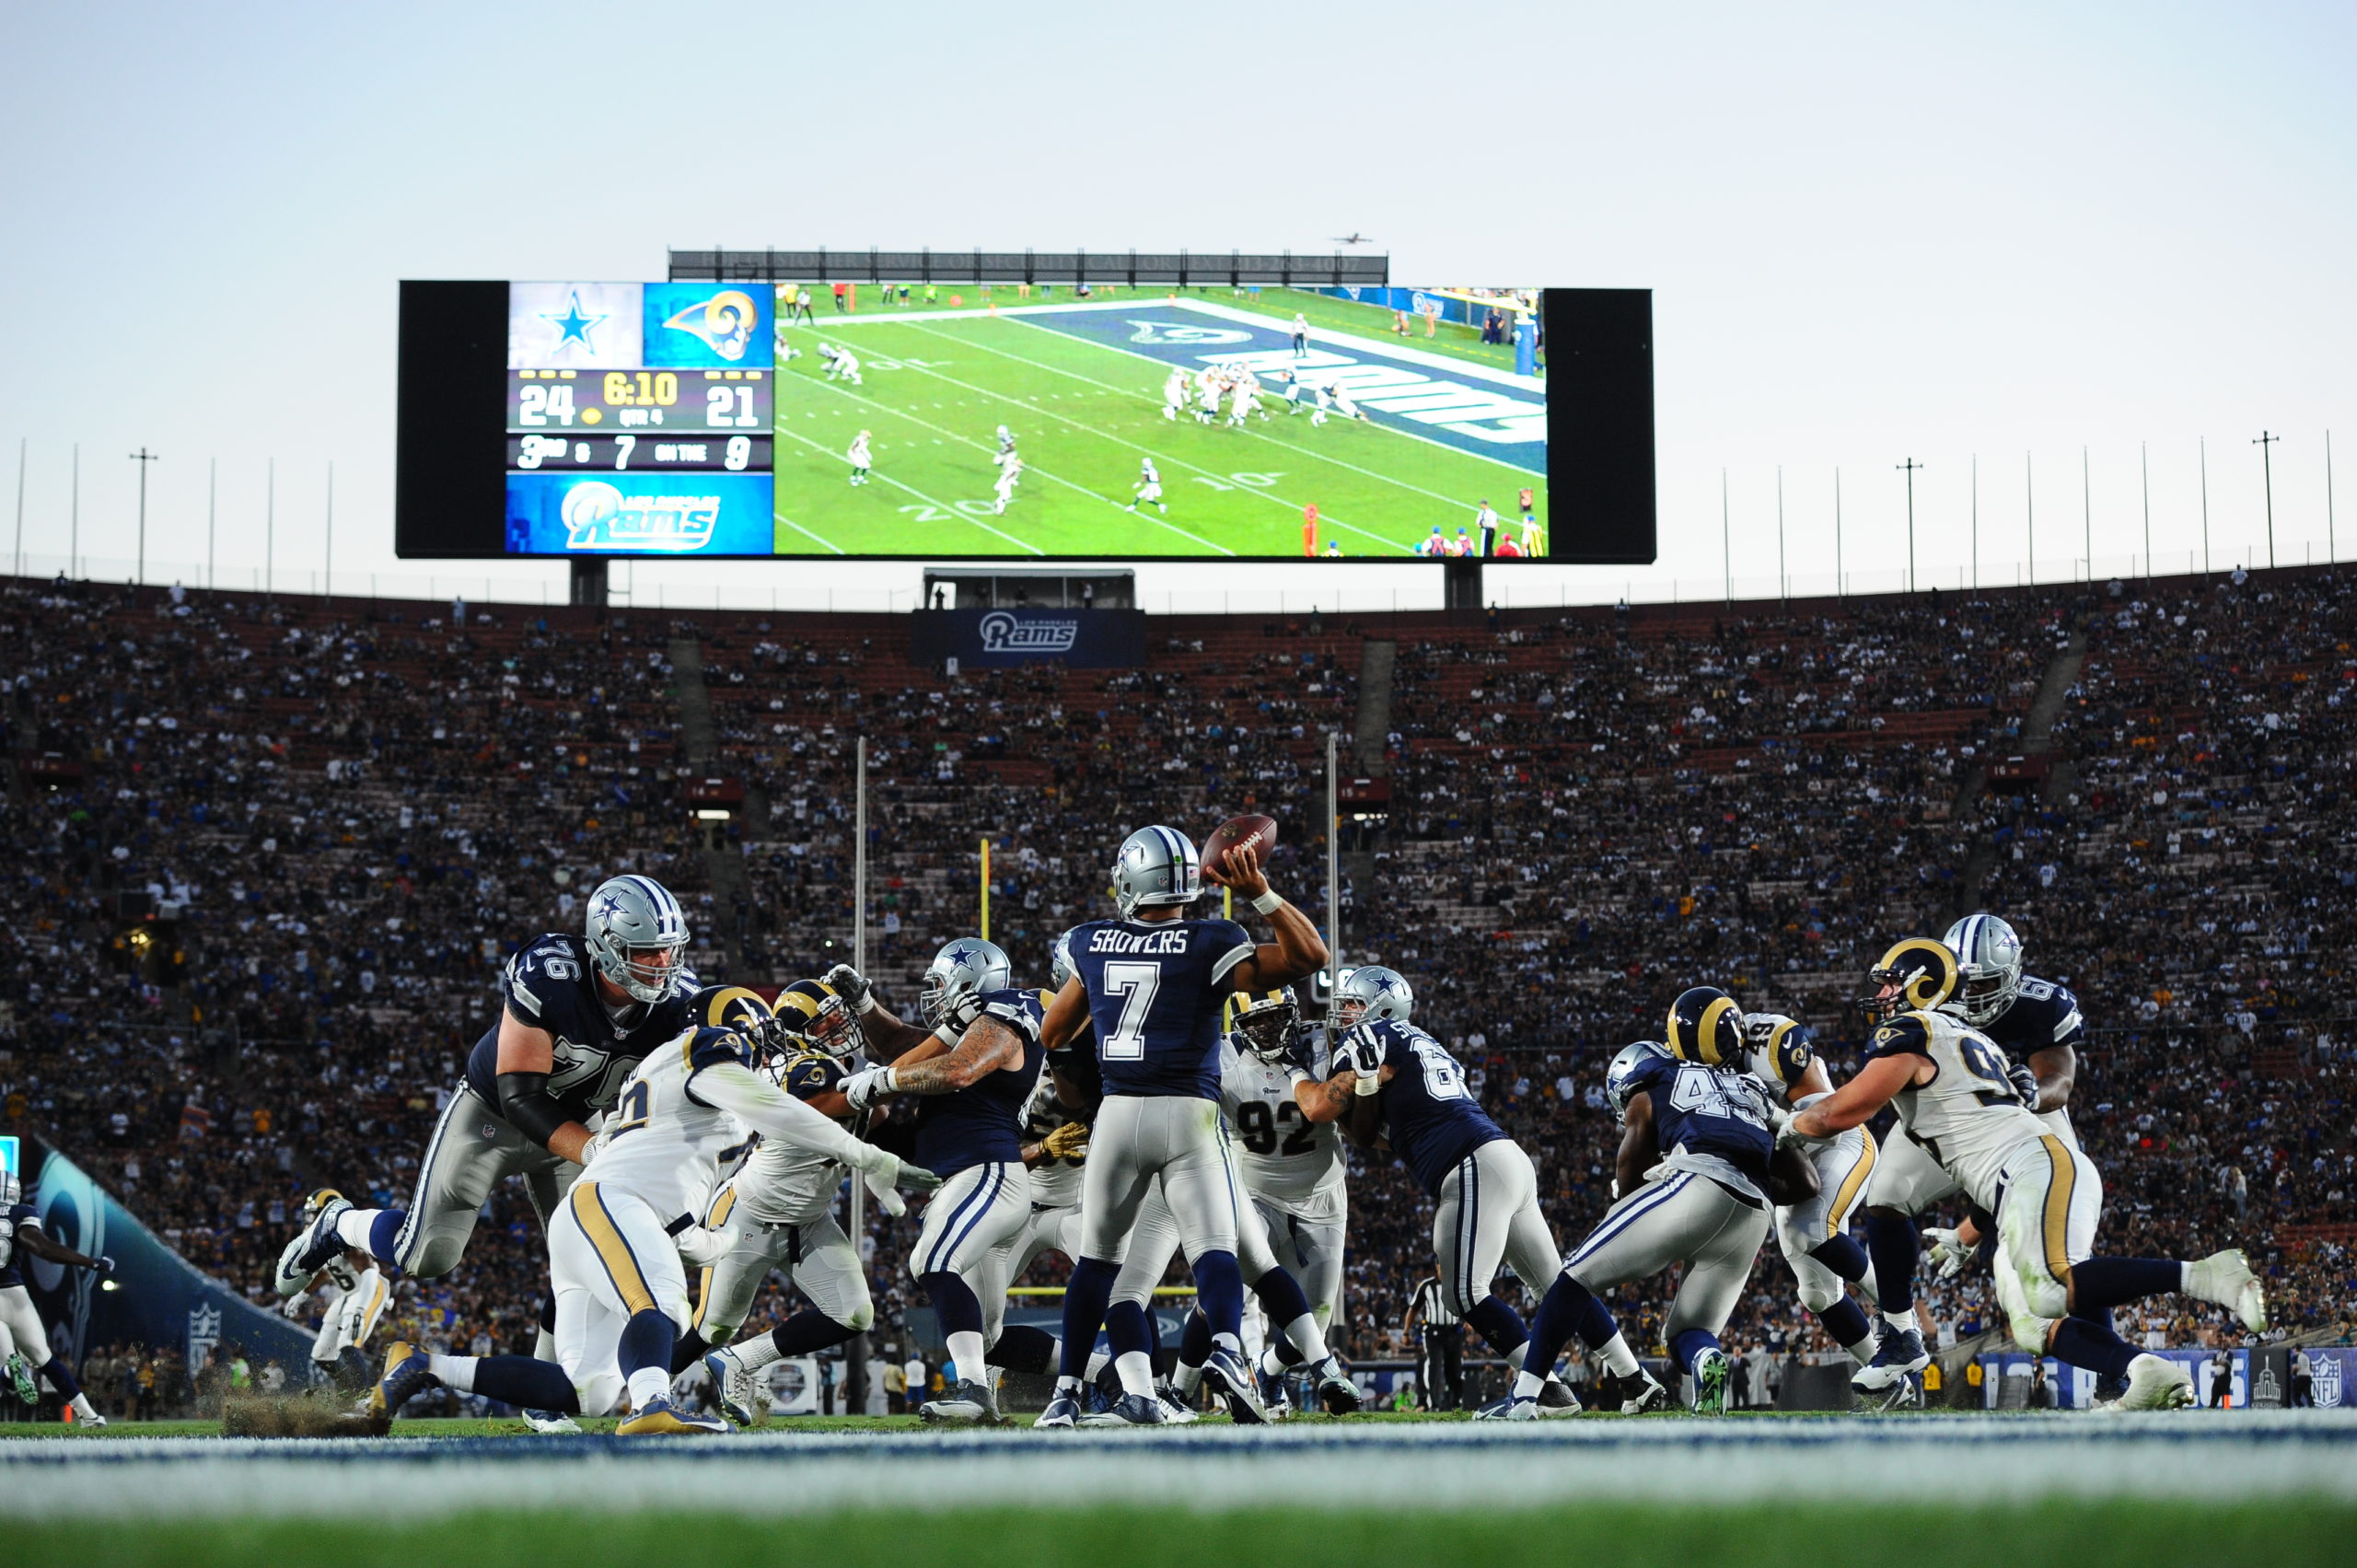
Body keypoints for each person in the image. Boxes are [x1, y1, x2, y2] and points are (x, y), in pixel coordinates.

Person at [376, 986, 940, 1434]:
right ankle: (652, 1405)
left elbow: (677, 1184)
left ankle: (422, 1366)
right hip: (611, 1205)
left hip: (611, 1213)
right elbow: (776, 1111)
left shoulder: (676, 1078)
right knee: (662, 1306)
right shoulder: (711, 1052)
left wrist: (713, 1242)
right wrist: (863, 1153)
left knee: (586, 1391)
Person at [276, 877, 700, 1430]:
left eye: (670, 948)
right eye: (646, 951)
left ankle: (544, 1395)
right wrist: (595, 1147)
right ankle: (339, 1224)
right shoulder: (549, 975)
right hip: (494, 1117)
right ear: (603, 947)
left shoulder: (680, 1002)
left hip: (583, 1125)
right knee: (426, 1256)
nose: (661, 963)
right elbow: (521, 1096)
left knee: (586, 1259)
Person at [1787, 938, 2267, 1411]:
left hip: (2039, 1162)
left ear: (1924, 985)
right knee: (2032, 1316)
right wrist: (1968, 1232)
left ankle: (2205, 1276)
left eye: (1892, 984)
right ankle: (2139, 1370)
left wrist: (1782, 1126)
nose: (1884, 995)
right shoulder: (1964, 1040)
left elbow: (1838, 1113)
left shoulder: (1914, 1033)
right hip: (2012, 1175)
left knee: (2053, 1283)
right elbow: (1981, 1151)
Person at [1032, 827, 1329, 1428]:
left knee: (1098, 1259)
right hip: (1189, 1113)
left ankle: (1064, 1395)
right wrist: (1262, 893)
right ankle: (1225, 1349)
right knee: (1215, 1249)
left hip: (1117, 1116)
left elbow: (1054, 1034)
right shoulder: (1212, 938)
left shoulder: (1093, 941)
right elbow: (1310, 958)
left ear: (1128, 879)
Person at [1483, 989, 1777, 1420]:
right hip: (1755, 1209)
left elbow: (1632, 1157)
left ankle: (1525, 1397)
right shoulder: (1753, 1087)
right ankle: (1704, 1362)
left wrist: (1625, 1197)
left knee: (1571, 1278)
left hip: (1698, 1180)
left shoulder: (1658, 1077)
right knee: (1688, 1333)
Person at [1308, 966, 1579, 1416]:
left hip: (1472, 1162)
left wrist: (1358, 1084)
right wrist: (1372, 1086)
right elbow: (1364, 1132)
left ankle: (1546, 1391)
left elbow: (1329, 1114)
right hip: (1501, 1152)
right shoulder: (1424, 1044)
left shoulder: (1370, 1038)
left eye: (1354, 1003)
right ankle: (1633, 1377)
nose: (1345, 1013)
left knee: (1465, 1292)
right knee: (1559, 1284)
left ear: (1382, 1007)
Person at [840, 938, 1044, 1425]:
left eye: (939, 984)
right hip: (967, 1179)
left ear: (970, 983)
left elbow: (956, 1070)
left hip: (989, 1173)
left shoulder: (1004, 1014)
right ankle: (1105, 1375)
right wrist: (866, 1007)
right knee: (988, 1337)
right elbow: (907, 1049)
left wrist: (883, 1082)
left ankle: (972, 1391)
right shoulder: (971, 1027)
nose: (933, 994)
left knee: (931, 1259)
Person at [689, 979, 885, 1426]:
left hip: (810, 1220)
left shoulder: (845, 1064)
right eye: (827, 1022)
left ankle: (739, 1360)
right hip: (748, 1215)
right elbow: (848, 1097)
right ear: (800, 1033)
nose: (840, 1027)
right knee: (710, 1328)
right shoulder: (800, 1069)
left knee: (854, 1313)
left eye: (840, 1017)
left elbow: (882, 1113)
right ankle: (648, 1396)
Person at [1742, 1011, 1882, 1372]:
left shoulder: (1764, 1038)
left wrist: (1774, 1119)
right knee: (1817, 1294)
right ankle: (1886, 1373)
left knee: (1813, 1228)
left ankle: (1900, 1317)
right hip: (1792, 1162)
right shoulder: (1703, 1075)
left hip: (1834, 1141)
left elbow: (1824, 1117)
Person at [0, 1168, 115, 1426]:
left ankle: (10, 1370)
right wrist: (90, 1262)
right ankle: (89, 1416)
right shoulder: (21, 1212)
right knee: (45, 1358)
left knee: (6, 1360)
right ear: (14, 1193)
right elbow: (41, 1247)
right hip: (15, 1296)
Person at [279, 1188, 389, 1390]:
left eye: (314, 1213)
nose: (310, 1218)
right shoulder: (318, 1236)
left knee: (347, 1343)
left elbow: (370, 1270)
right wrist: (302, 1295)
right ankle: (349, 1393)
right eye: (309, 1213)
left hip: (369, 1289)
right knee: (322, 1354)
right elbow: (324, 1270)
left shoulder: (343, 1232)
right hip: (348, 1294)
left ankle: (363, 1399)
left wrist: (360, 1309)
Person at [1405, 1272, 1463, 1411]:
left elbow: (1468, 1303)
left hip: (1454, 1331)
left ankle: (1456, 1403)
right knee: (1434, 1366)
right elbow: (1413, 1309)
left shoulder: (1457, 1283)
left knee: (1455, 1369)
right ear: (1436, 1266)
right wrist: (1406, 1332)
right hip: (1433, 1332)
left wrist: (1470, 1321)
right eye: (1440, 1264)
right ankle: (1434, 1404)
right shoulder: (1426, 1286)